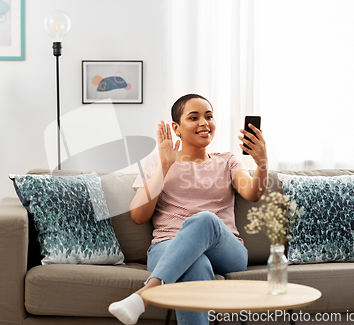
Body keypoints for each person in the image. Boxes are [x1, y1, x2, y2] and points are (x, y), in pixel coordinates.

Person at [109, 94, 268, 325]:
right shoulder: (157, 161)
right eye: (194, 117)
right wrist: (165, 166)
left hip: (226, 250)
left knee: (205, 219)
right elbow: (138, 215)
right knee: (197, 264)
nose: (204, 123)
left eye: (209, 116)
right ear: (177, 128)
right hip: (167, 246)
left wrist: (262, 162)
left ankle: (145, 295)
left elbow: (254, 193)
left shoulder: (227, 161)